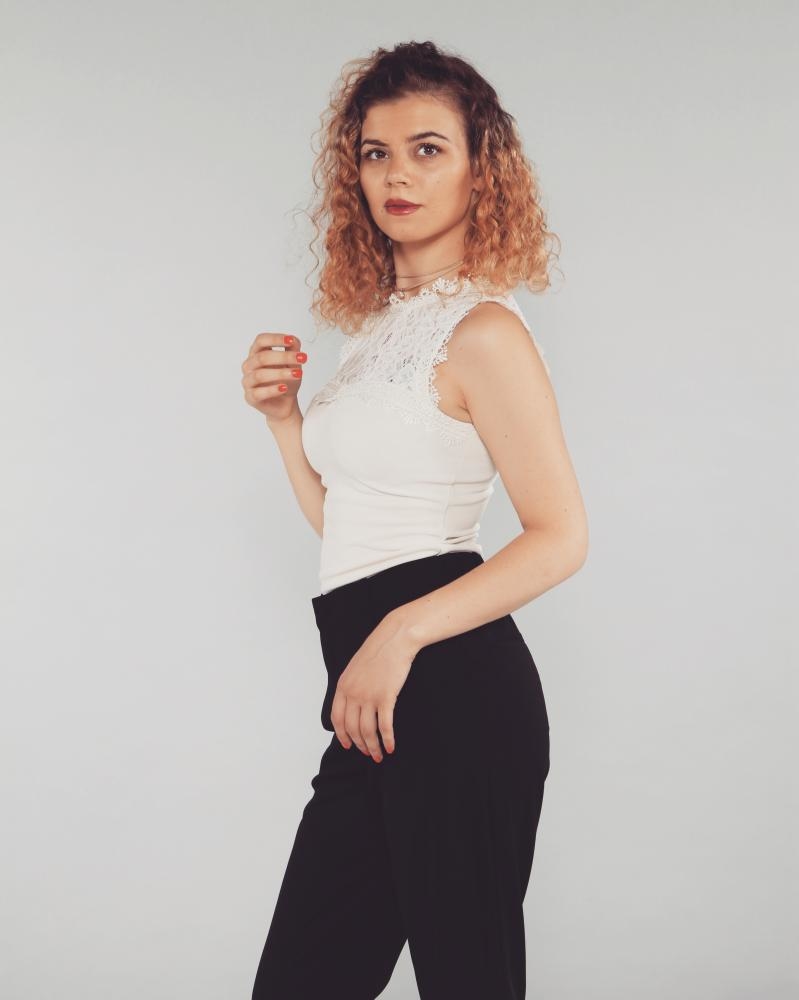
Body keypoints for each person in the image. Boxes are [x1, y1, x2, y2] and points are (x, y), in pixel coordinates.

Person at [241, 39, 588, 1000]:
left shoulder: (485, 331)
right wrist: (285, 425)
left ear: (482, 169)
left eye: (428, 149)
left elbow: (560, 535)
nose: (397, 175)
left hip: (451, 688)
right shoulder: (373, 333)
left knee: (468, 981)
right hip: (371, 693)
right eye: (375, 152)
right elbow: (354, 534)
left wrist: (398, 635)